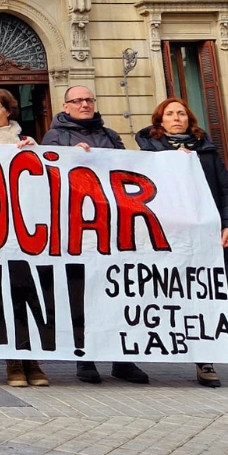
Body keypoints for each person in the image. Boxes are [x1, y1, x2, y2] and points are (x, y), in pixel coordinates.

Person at [136, 98, 228, 388]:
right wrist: (175, 163)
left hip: (215, 238)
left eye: (181, 113)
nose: (176, 118)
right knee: (194, 301)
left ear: (190, 119)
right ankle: (204, 361)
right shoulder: (149, 152)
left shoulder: (208, 151)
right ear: (159, 121)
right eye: (170, 114)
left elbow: (227, 192)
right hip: (178, 241)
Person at [42, 86, 147, 385]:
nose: (85, 104)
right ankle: (84, 358)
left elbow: (129, 171)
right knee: (82, 295)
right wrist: (70, 158)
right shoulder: (55, 137)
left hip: (113, 226)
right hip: (78, 227)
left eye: (89, 99)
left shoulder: (111, 136)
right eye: (78, 101)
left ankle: (123, 359)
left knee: (117, 293)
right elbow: (47, 173)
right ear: (66, 105)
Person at [0, 89, 47, 389]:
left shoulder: (26, 143)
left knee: (28, 295)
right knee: (3, 298)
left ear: (8, 111)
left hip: (24, 232)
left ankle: (33, 360)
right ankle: (13, 362)